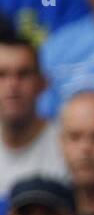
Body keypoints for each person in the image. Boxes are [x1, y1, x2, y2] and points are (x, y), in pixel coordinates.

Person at [0, 35, 67, 189]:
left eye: (23, 74)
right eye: (1, 75)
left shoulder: (67, 146)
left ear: (43, 83)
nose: (12, 85)